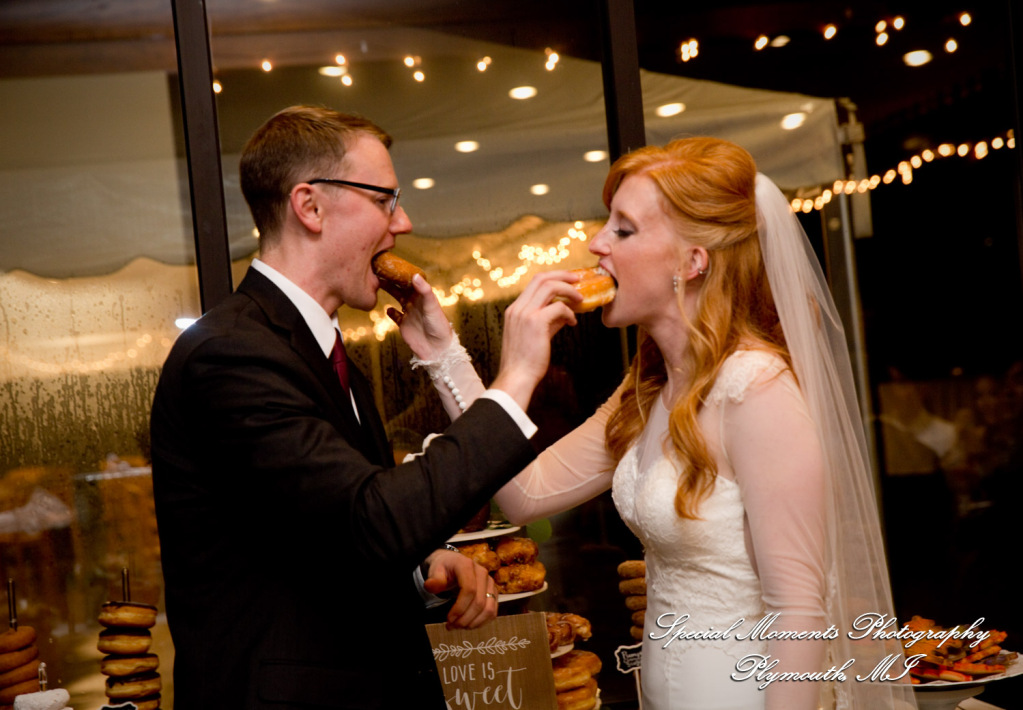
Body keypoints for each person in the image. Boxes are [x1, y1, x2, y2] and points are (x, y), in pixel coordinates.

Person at [405, 138, 916, 709]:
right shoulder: (646, 386)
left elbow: (798, 609)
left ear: (692, 260)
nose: (596, 244)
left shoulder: (755, 388)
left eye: (623, 230)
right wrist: (446, 354)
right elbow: (525, 493)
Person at [150, 105, 579, 709]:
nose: (402, 222)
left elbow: (323, 529)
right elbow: (370, 520)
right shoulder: (231, 354)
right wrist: (517, 378)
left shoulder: (318, 345)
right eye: (384, 199)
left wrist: (422, 564)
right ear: (310, 207)